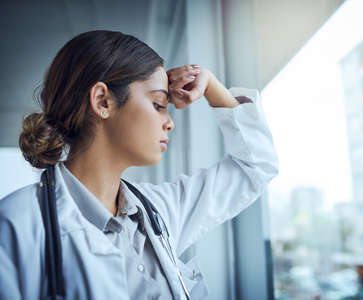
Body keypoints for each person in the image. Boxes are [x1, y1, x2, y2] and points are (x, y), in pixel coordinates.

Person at [0, 30, 279, 299]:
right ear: (103, 101)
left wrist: (211, 85)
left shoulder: (160, 210)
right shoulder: (16, 225)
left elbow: (255, 166)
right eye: (159, 104)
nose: (169, 122)